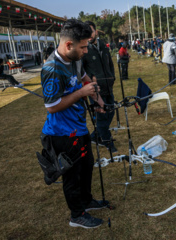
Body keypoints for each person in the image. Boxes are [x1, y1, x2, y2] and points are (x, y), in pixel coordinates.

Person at [40, 19, 108, 229]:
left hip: (78, 127)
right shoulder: (52, 68)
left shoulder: (75, 58)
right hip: (62, 133)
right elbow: (51, 106)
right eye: (83, 46)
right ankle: (77, 215)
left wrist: (98, 99)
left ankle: (86, 201)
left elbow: (85, 77)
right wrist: (81, 93)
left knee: (87, 166)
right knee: (73, 175)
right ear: (68, 45)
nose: (86, 51)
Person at [82, 21, 117, 152]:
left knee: (111, 110)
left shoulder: (103, 46)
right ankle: (108, 142)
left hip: (108, 85)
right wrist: (91, 78)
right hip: (96, 88)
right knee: (102, 116)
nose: (89, 34)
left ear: (95, 31)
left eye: (90, 31)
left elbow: (110, 64)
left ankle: (95, 136)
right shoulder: (84, 49)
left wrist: (112, 77)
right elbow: (82, 70)